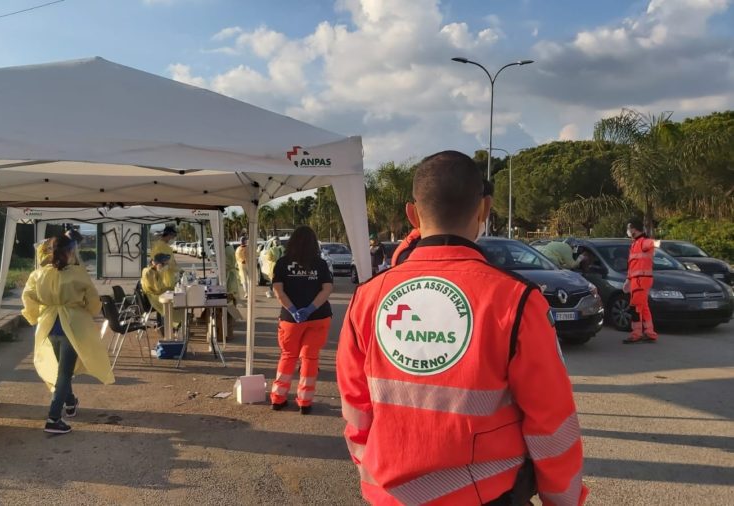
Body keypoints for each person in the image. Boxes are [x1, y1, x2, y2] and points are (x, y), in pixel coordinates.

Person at [337, 151, 586, 505]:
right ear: (485, 210)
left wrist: (374, 475)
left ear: (412, 214)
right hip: (486, 495)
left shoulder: (367, 298)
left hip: (387, 495)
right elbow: (552, 422)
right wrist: (563, 500)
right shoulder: (517, 301)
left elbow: (356, 407)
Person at [22, 235, 114, 435]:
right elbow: (92, 302)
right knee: (64, 372)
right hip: (72, 326)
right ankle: (54, 418)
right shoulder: (78, 274)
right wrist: (86, 312)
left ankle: (70, 403)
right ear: (70, 251)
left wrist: (34, 317)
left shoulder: (38, 274)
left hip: (48, 326)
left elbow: (28, 298)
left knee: (62, 369)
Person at [270, 226, 334, 415]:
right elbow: (327, 289)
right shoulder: (320, 264)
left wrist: (293, 309)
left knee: (288, 356)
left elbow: (278, 290)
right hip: (318, 317)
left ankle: (278, 399)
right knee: (310, 358)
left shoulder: (282, 263)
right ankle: (305, 402)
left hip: (290, 320)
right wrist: (311, 309)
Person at [623, 219, 660, 344]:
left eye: (629, 228)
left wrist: (655, 242)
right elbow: (633, 265)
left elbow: (654, 243)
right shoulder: (635, 244)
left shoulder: (643, 242)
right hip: (637, 280)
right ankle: (650, 332)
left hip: (640, 280)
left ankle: (636, 333)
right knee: (643, 307)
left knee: (636, 307)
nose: (628, 231)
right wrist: (628, 280)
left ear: (634, 229)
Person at [141, 253, 184, 332]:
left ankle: (176, 325)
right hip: (152, 297)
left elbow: (161, 287)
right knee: (172, 304)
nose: (165, 266)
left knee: (176, 299)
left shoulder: (155, 271)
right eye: (164, 264)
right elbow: (157, 289)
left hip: (157, 294)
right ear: (158, 263)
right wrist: (169, 289)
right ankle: (173, 326)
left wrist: (172, 287)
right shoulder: (148, 271)